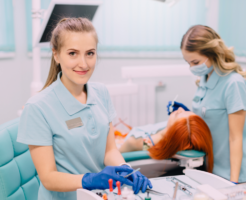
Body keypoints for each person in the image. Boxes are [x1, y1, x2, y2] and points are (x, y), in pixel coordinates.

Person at [17, 18, 151, 200]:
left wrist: (126, 170)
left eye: (90, 53)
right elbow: (48, 178)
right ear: (56, 55)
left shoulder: (101, 93)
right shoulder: (37, 108)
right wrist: (90, 179)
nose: (84, 64)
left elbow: (109, 151)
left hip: (98, 195)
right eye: (73, 53)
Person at [168, 25, 246, 183]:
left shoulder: (233, 83)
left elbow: (235, 138)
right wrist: (187, 114)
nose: (192, 68)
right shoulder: (204, 78)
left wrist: (234, 183)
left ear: (212, 54)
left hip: (235, 174)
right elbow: (209, 115)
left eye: (195, 62)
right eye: (188, 63)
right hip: (212, 169)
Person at [119, 107, 214, 173]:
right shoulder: (185, 134)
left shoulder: (147, 142)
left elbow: (130, 144)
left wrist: (163, 133)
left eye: (178, 114)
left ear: (172, 132)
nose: (180, 109)